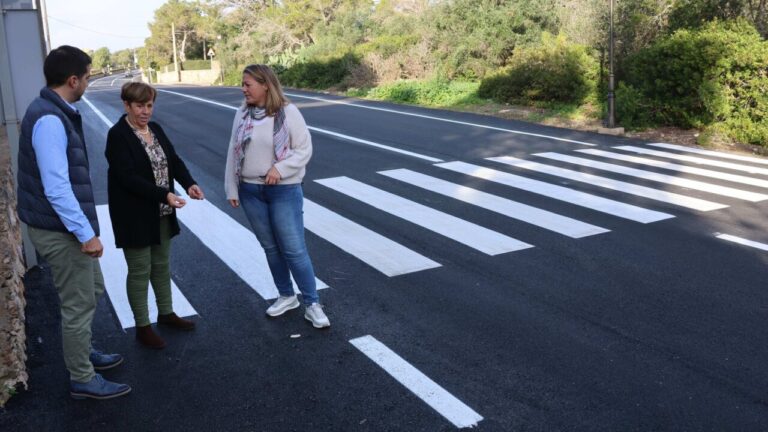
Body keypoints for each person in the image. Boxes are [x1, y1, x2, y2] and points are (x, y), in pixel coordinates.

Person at [16, 46, 131, 400]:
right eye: (86, 75)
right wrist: (85, 234)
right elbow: (57, 187)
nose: (87, 81)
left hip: (57, 224)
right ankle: (82, 376)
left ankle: (83, 352)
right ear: (72, 80)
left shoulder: (51, 111)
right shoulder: (50, 119)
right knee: (78, 302)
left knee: (91, 288)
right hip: (59, 228)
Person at [224, 64, 330, 329]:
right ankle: (286, 295)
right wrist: (232, 188)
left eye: (248, 84)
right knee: (270, 248)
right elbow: (233, 151)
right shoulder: (242, 113)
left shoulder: (288, 112)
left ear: (265, 85)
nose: (243, 89)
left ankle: (312, 303)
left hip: (283, 190)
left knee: (294, 249)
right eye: (243, 84)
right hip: (250, 190)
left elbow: (303, 149)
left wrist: (279, 169)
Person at [105, 82, 204, 349]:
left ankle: (166, 313)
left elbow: (174, 160)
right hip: (134, 215)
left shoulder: (155, 129)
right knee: (139, 270)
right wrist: (164, 195)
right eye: (139, 105)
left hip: (161, 211)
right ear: (126, 105)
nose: (145, 111)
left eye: (149, 105)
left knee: (161, 266)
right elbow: (127, 178)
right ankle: (142, 326)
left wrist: (189, 183)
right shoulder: (118, 136)